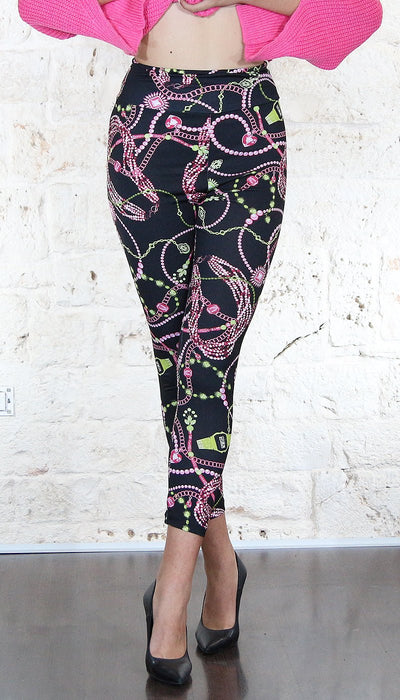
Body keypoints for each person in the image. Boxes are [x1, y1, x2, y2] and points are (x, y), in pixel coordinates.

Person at [17, 0, 383, 687]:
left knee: (208, 362)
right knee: (178, 366)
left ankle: (171, 593)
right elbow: (38, 5)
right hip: (146, 129)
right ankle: (221, 565)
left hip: (248, 128)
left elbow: (357, 13)